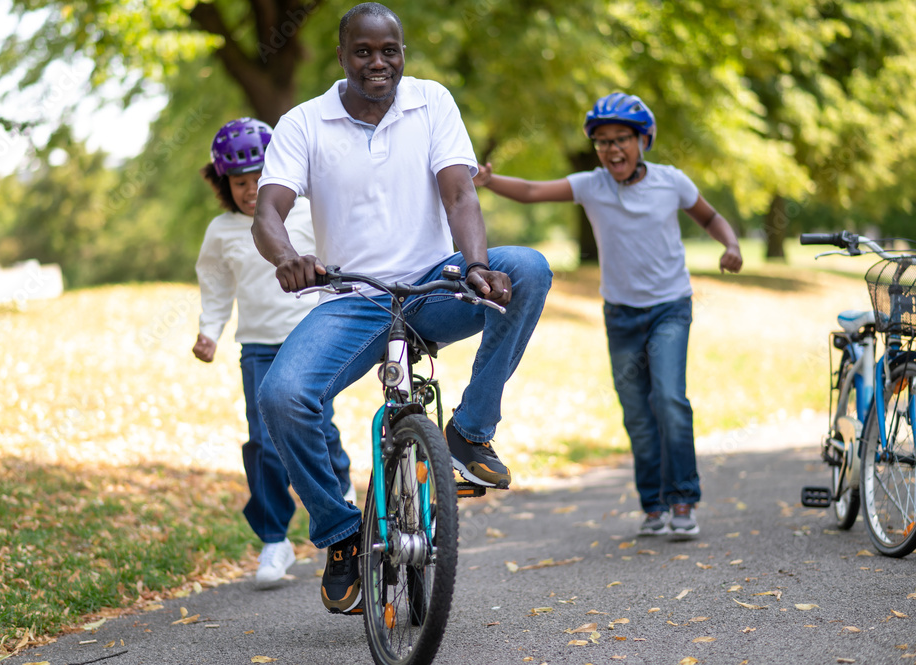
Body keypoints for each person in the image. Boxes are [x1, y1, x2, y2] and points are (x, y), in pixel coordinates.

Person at [252, 2, 552, 614]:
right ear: (341, 55)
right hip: (354, 298)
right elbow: (267, 212)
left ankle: (470, 433)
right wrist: (287, 257)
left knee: (528, 268)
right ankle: (340, 533)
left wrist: (475, 265)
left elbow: (460, 193)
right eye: (363, 51)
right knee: (281, 396)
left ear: (402, 53)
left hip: (435, 285)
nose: (378, 63)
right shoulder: (304, 123)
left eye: (389, 50)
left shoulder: (431, 101)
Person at [472, 92, 743, 540]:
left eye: (621, 139)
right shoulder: (592, 186)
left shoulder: (671, 182)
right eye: (602, 142)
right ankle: (653, 506)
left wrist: (730, 244)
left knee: (669, 400)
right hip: (621, 316)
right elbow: (534, 192)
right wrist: (490, 180)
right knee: (636, 414)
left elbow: (710, 217)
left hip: (670, 309)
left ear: (643, 141)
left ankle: (682, 498)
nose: (612, 149)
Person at [193, 117, 355, 589]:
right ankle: (274, 539)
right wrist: (209, 332)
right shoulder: (222, 231)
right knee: (263, 442)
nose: (250, 191)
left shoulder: (308, 211)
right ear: (223, 183)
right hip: (258, 349)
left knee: (319, 427)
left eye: (258, 179)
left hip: (313, 339)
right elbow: (216, 287)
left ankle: (341, 497)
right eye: (239, 183)